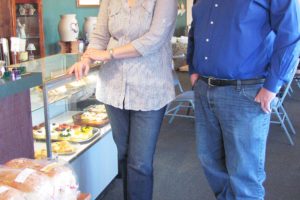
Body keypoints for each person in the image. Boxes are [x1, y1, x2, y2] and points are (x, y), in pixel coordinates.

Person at [187, 0, 300, 199]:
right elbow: (196, 27)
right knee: (210, 162)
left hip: (246, 93)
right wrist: (193, 68)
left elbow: (291, 33)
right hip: (204, 89)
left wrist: (272, 85)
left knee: (244, 175)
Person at [69, 0, 177, 199]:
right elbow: (99, 35)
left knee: (140, 163)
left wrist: (109, 54)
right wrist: (86, 59)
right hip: (113, 88)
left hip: (150, 89)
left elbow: (155, 38)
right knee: (124, 155)